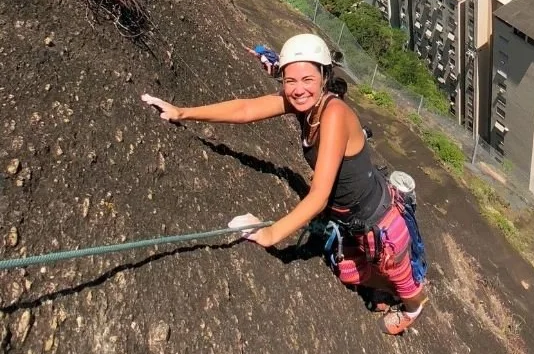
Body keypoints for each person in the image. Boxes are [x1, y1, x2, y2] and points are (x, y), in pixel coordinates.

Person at [142, 33, 428, 335]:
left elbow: (318, 195)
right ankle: (384, 287)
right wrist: (182, 111)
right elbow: (246, 110)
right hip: (346, 217)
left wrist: (271, 233)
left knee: (402, 281)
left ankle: (414, 306)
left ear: (324, 77)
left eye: (307, 79)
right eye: (290, 81)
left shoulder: (333, 115)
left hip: (377, 222)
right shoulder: (305, 105)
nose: (298, 89)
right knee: (347, 272)